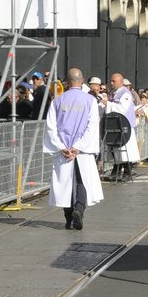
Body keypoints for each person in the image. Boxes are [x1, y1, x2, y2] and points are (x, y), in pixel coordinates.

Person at [45, 69, 103, 231]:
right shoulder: (90, 100)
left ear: (66, 82)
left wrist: (62, 147)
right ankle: (79, 209)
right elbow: (92, 126)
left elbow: (51, 127)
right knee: (81, 180)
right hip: (81, 150)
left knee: (65, 183)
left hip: (64, 150)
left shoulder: (57, 100)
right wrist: (79, 147)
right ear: (82, 80)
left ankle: (69, 216)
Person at [105, 73, 141, 181]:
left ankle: (127, 172)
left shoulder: (125, 94)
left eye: (113, 81)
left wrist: (108, 104)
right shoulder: (114, 93)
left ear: (121, 82)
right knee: (117, 149)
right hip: (117, 125)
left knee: (125, 150)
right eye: (111, 81)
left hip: (125, 126)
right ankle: (117, 171)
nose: (111, 83)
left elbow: (122, 108)